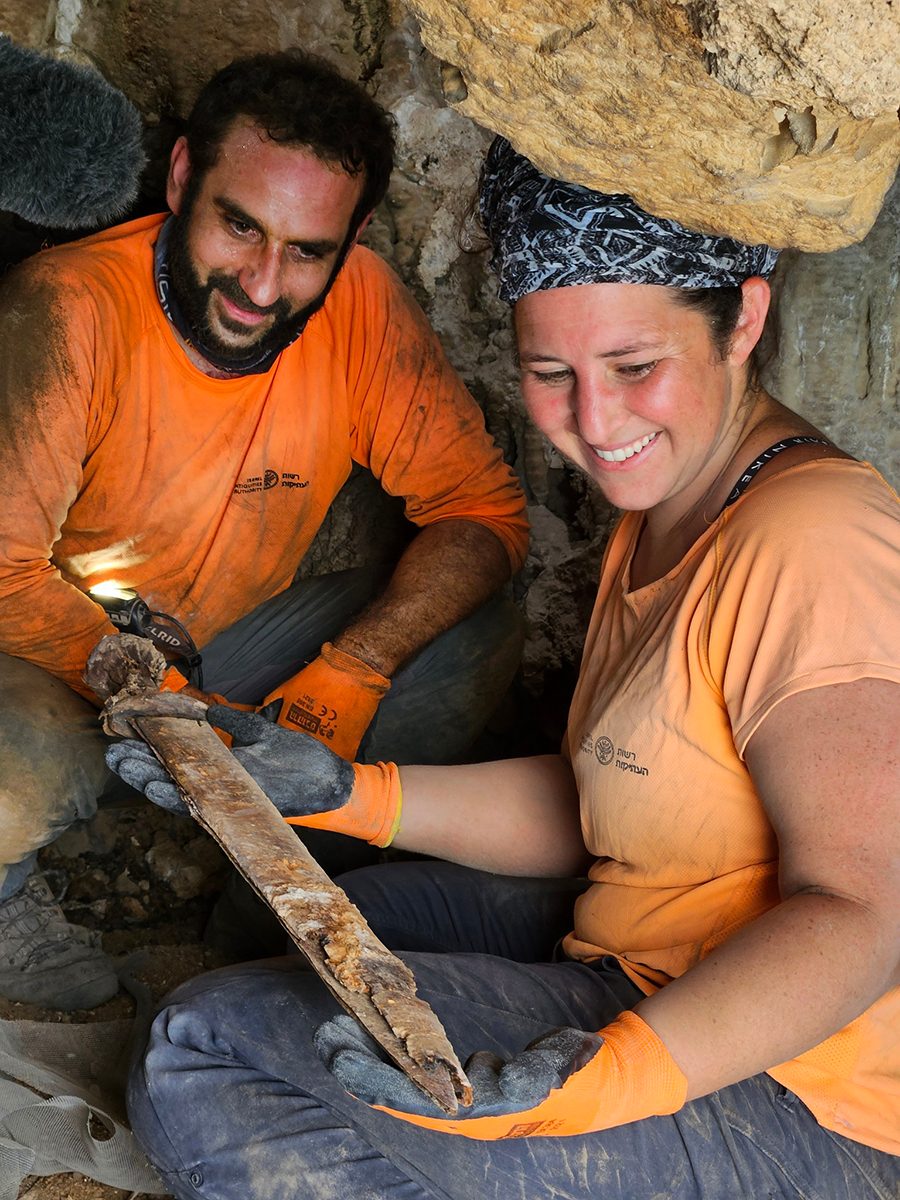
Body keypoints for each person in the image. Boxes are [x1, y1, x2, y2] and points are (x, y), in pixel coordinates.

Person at [108, 137, 899, 1199]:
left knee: (202, 1048)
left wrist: (598, 1089)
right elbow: (609, 800)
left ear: (743, 321)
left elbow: (865, 912)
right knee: (306, 913)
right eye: (550, 374)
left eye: (634, 368)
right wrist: (340, 792)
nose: (596, 422)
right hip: (636, 946)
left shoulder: (813, 536)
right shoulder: (673, 499)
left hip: (807, 1095)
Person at [0, 58, 528, 1012]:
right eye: (238, 224)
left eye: (307, 250)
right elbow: (0, 576)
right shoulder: (69, 305)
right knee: (6, 780)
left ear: (353, 240)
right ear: (180, 180)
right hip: (57, 657)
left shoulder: (359, 301)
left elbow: (484, 514)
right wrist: (156, 696)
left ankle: (269, 911)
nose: (260, 282)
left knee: (475, 627)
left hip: (231, 658)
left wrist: (353, 670)